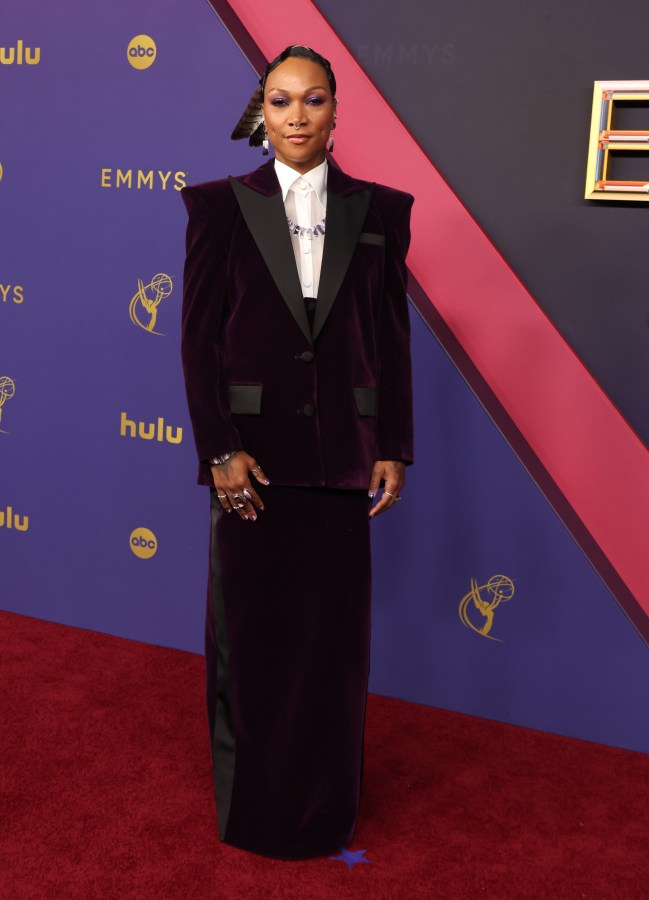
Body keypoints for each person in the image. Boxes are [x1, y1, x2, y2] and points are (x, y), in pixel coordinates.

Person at [180, 44, 414, 860]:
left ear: (336, 111)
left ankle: (324, 812)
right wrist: (218, 450)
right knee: (250, 641)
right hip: (253, 459)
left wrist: (393, 444)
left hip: (344, 457)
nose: (297, 118)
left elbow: (391, 337)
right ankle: (255, 813)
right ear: (262, 113)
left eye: (313, 101)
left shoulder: (382, 209)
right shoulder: (215, 207)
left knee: (332, 649)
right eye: (280, 102)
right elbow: (197, 343)